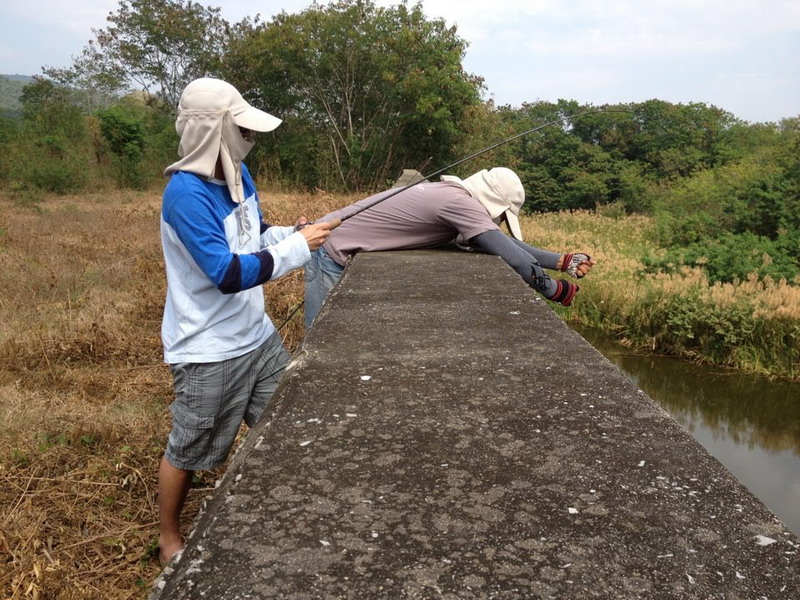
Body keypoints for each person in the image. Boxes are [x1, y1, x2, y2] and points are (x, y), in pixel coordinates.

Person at [157, 77, 331, 566]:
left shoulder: (237, 175)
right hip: (210, 349)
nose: (249, 141)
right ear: (214, 132)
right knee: (189, 447)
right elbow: (227, 272)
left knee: (286, 422)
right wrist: (297, 249)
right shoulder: (186, 196)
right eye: (243, 132)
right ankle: (169, 537)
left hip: (258, 338)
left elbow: (253, 235)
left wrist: (291, 232)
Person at [304, 167, 594, 329]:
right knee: (321, 338)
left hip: (329, 242)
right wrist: (555, 291)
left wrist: (561, 261)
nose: (497, 222)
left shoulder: (450, 196)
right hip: (328, 251)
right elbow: (511, 256)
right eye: (501, 216)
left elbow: (504, 243)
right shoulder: (459, 204)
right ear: (493, 204)